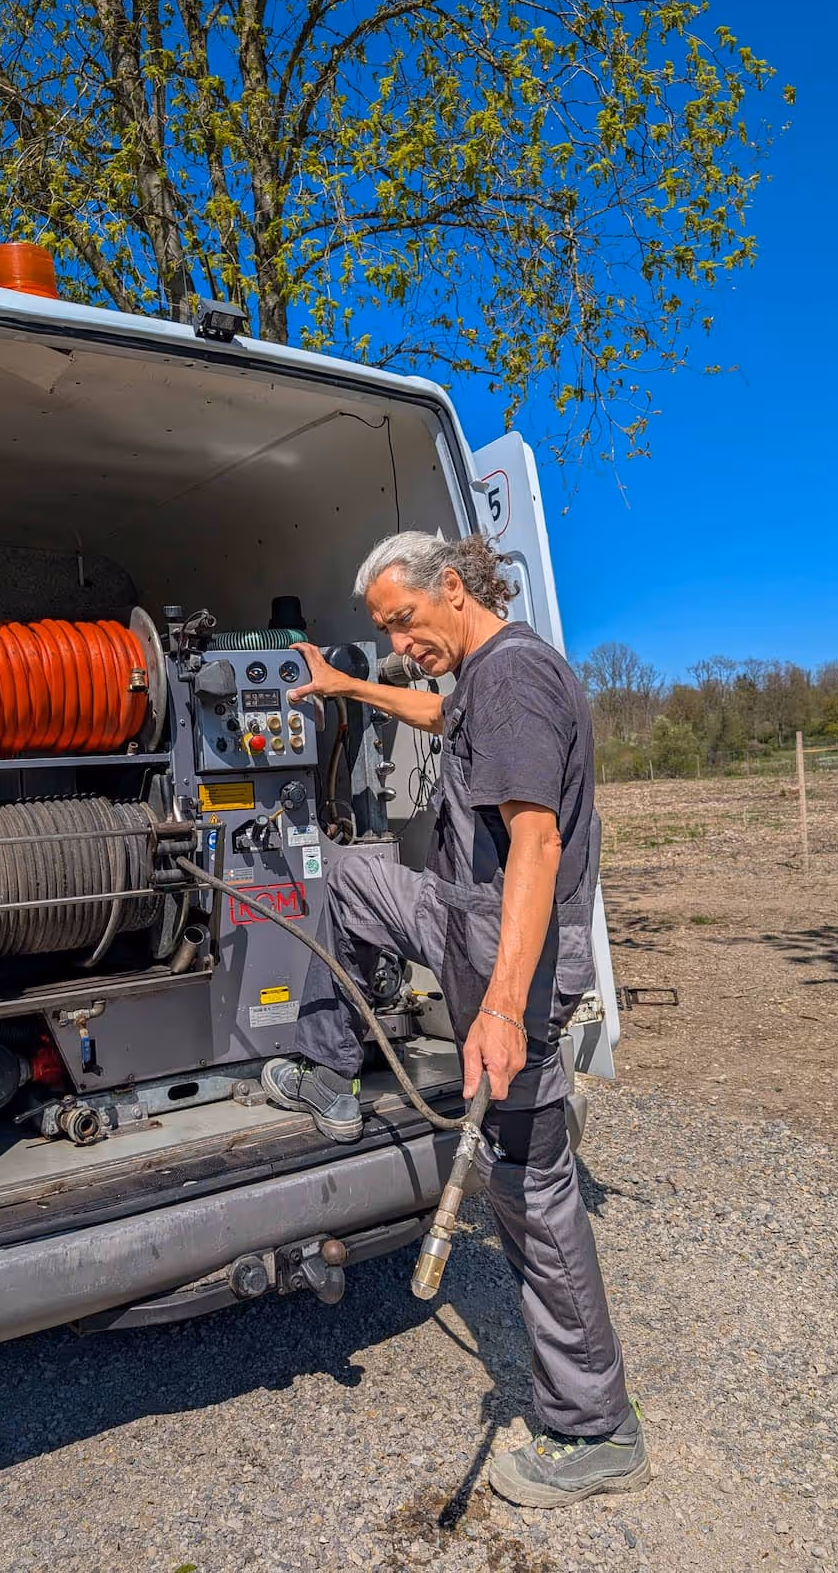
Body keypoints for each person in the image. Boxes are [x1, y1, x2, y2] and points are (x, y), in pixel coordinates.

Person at [259, 530, 649, 1509]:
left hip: (505, 954)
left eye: (401, 619)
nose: (395, 641)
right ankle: (332, 1076)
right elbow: (438, 714)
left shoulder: (515, 678)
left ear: (452, 587)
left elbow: (534, 844)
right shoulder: (481, 674)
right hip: (457, 917)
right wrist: (350, 693)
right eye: (383, 629)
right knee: (348, 881)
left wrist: (507, 1008)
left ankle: (592, 1426)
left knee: (532, 1196)